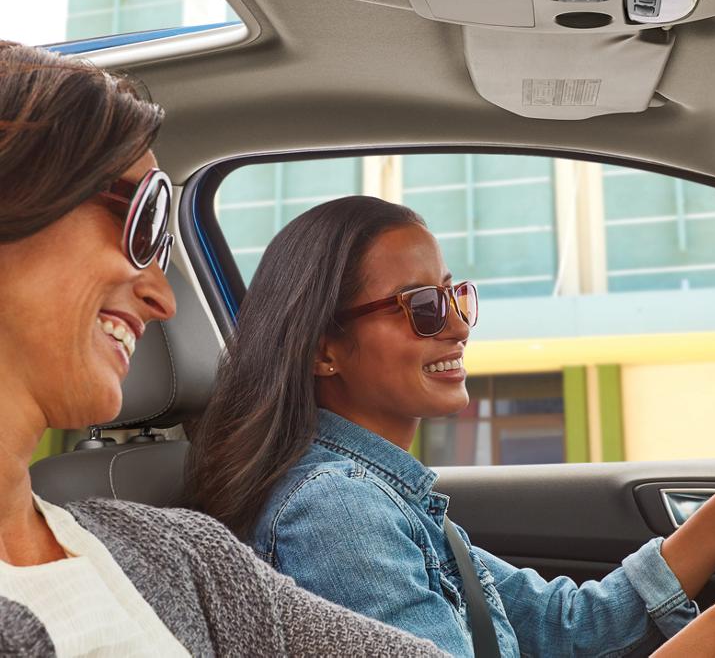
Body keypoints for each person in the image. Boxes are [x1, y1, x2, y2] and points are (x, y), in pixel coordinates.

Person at [186, 194, 715, 656]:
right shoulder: (335, 511)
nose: (457, 326)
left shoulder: (383, 498)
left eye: (457, 296)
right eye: (422, 306)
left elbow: (576, 625)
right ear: (323, 350)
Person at [0, 41, 444, 656]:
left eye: (163, 244)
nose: (163, 298)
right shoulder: (321, 508)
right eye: (140, 220)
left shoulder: (179, 554)